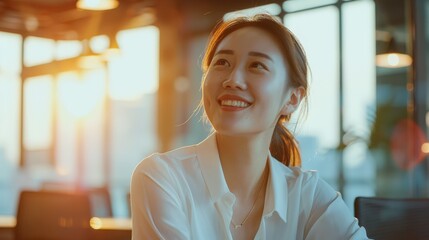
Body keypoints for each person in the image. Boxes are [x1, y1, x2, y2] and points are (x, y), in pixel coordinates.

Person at [130, 14, 368, 240]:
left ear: (292, 99)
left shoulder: (309, 194)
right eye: (222, 62)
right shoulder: (162, 178)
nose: (232, 80)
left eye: (257, 65)